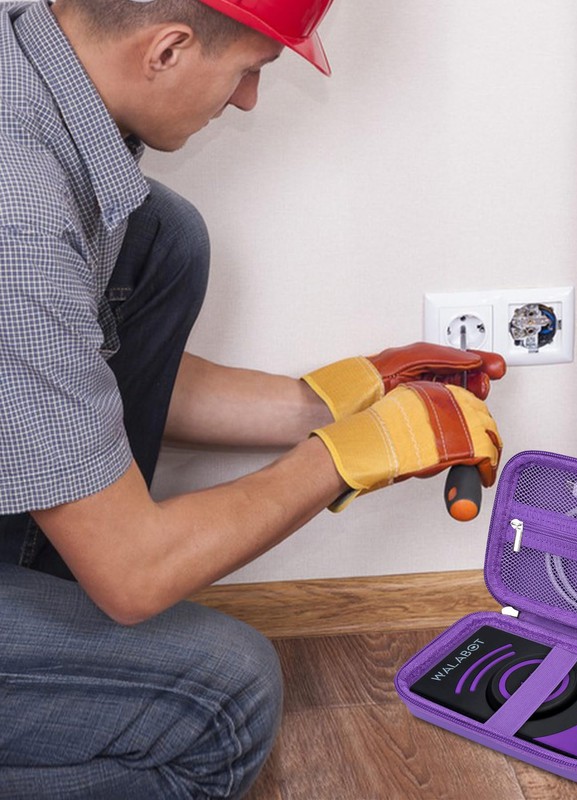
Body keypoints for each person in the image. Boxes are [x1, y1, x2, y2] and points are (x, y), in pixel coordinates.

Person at [0, 0, 505, 797]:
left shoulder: (29, 55)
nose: (247, 100)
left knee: (162, 240)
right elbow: (134, 574)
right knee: (225, 696)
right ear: (167, 49)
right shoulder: (20, 219)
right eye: (248, 70)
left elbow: (59, 375)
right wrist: (350, 458)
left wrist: (339, 401)